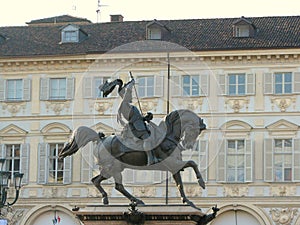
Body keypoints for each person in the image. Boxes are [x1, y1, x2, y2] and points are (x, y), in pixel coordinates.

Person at [100, 78, 156, 165]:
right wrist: (130, 85)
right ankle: (150, 159)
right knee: (147, 139)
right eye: (129, 95)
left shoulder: (130, 107)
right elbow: (133, 119)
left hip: (140, 126)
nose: (131, 96)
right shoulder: (124, 106)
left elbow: (138, 118)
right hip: (137, 129)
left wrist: (146, 118)